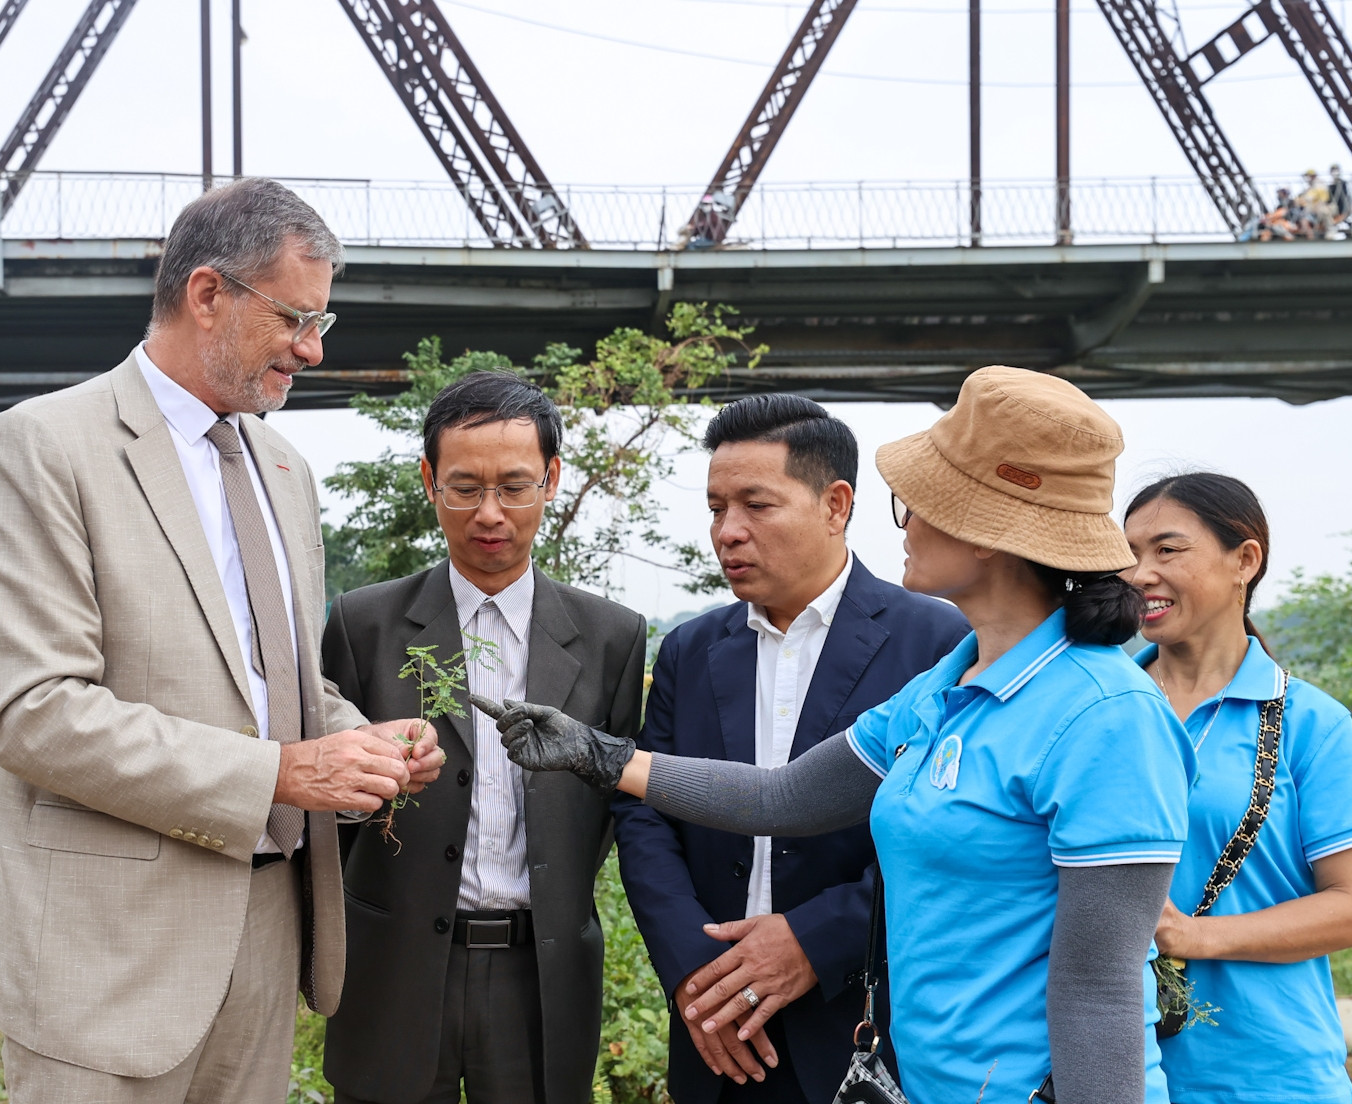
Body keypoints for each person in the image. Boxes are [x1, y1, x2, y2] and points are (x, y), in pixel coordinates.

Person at [478, 365, 1198, 1104]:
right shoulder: (944, 688)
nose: (906, 523)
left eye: (917, 504)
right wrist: (600, 754)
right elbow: (782, 798)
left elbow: (1098, 993)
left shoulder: (1107, 718)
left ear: (989, 532)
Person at [0, 178, 440, 1103]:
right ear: (207, 293)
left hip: (262, 936)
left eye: (322, 318)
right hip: (103, 956)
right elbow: (37, 715)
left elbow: (276, 684)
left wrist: (360, 736)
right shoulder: (40, 446)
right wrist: (281, 775)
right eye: (296, 317)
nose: (314, 348)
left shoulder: (285, 469)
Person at [611, 394, 968, 1104]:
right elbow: (645, 814)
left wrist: (814, 939)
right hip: (716, 1025)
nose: (728, 532)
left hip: (862, 1018)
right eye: (716, 508)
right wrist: (691, 967)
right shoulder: (690, 647)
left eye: (756, 505)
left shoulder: (937, 643)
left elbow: (949, 834)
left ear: (836, 505)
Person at [320, 370, 649, 1104]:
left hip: (541, 974)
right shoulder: (362, 624)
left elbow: (610, 802)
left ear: (553, 479)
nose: (490, 513)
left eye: (515, 485)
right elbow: (332, 801)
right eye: (465, 487)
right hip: (395, 967)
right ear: (429, 481)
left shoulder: (612, 638)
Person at [1123, 473, 1352, 1104]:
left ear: (1246, 560)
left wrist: (1195, 936)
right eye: (1129, 555)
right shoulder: (1103, 710)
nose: (1139, 574)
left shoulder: (1309, 724)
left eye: (1167, 550)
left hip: (1268, 1075)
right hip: (1112, 1067)